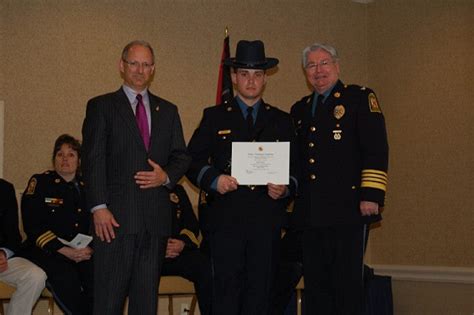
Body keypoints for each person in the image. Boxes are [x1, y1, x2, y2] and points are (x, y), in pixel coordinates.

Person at [187, 40, 297, 315]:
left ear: (265, 78)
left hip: (266, 225)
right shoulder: (214, 117)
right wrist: (214, 180)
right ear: (234, 78)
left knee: (260, 297)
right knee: (225, 296)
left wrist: (285, 189)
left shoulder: (282, 121)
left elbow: (299, 172)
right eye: (244, 74)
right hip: (226, 225)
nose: (251, 80)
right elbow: (191, 161)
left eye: (257, 74)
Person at [81, 40, 190, 314]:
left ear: (153, 69)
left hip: (154, 224)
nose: (140, 70)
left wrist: (165, 176)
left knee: (146, 305)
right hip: (114, 222)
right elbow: (92, 160)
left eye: (146, 64)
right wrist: (98, 207)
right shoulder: (101, 106)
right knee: (108, 303)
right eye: (134, 63)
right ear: (122, 66)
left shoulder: (168, 110)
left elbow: (181, 156)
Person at [290, 42, 389, 314]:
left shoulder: (359, 98)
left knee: (346, 287)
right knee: (317, 287)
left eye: (324, 63)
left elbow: (376, 148)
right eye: (311, 65)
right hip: (311, 215)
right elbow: (298, 161)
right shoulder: (300, 109)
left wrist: (371, 195)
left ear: (337, 66)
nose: (318, 70)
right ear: (305, 72)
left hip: (349, 211)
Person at [21, 134, 93, 315]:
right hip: (48, 251)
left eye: (71, 155)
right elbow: (33, 226)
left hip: (82, 252)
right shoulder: (40, 182)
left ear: (79, 160)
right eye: (60, 154)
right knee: (66, 278)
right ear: (54, 159)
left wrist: (90, 250)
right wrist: (65, 251)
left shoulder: (89, 187)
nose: (65, 159)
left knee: (99, 277)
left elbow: (97, 225)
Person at [162, 184, 212, 315]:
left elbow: (191, 225)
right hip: (147, 256)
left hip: (177, 253)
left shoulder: (176, 189)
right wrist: (158, 247)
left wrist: (183, 243)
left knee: (205, 265)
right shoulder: (136, 188)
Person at [0, 178, 46, 315]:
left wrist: (3, 253)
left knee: (35, 276)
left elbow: (13, 234)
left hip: (2, 259)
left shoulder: (5, 188)